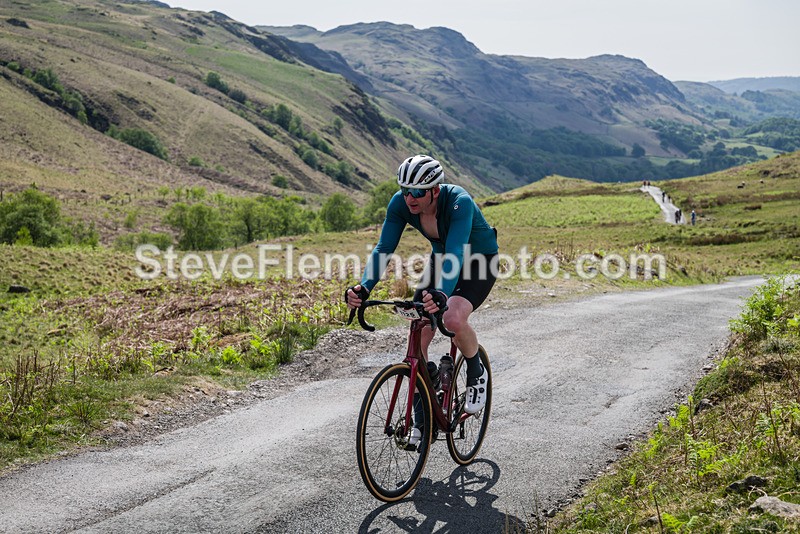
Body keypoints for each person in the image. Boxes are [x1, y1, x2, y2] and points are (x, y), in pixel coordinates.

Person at [345, 155, 499, 435]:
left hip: (479, 261)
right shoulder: (400, 204)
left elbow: (456, 252)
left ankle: (477, 373)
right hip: (442, 261)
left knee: (451, 318)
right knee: (418, 332)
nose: (410, 198)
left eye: (417, 192)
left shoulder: (458, 202)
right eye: (405, 190)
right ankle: (423, 414)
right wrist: (364, 287)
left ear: (435, 191)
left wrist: (441, 293)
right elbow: (383, 249)